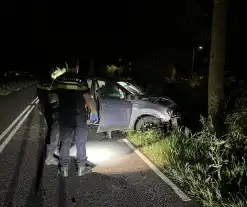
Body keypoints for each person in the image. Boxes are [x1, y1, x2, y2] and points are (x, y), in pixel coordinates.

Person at [53, 58, 99, 177]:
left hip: (65, 116)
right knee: (80, 141)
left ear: (67, 65)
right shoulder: (80, 80)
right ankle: (81, 168)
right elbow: (88, 98)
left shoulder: (59, 79)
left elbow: (53, 98)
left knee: (65, 142)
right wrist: (94, 112)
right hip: (79, 116)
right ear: (77, 66)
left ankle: (64, 169)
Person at [36, 69, 59, 165]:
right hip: (51, 109)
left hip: (45, 108)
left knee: (52, 130)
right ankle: (49, 156)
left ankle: (54, 150)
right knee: (54, 130)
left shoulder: (40, 83)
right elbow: (52, 97)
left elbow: (40, 96)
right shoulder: (49, 83)